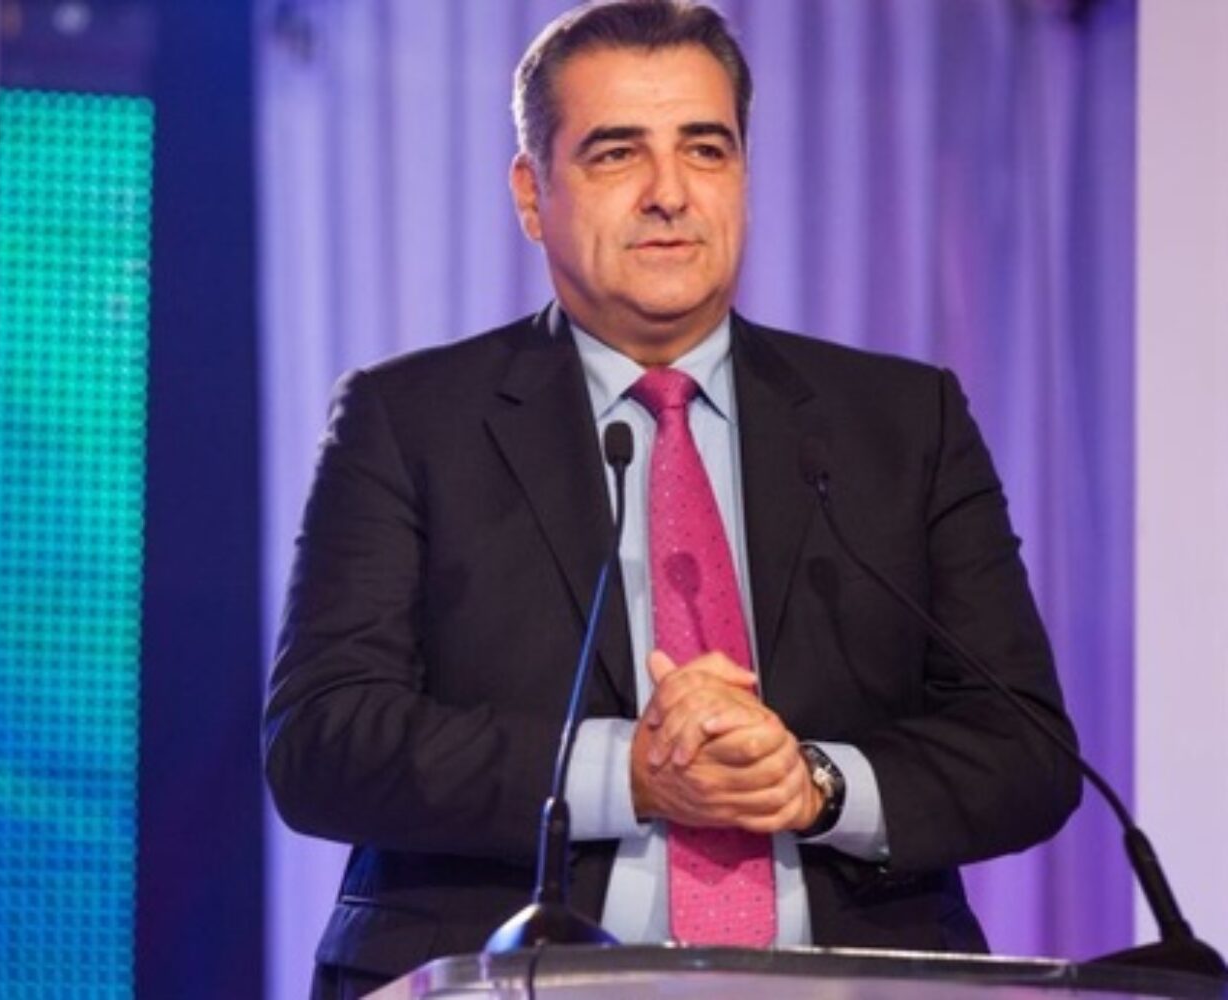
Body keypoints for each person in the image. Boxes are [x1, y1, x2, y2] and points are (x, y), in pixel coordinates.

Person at [263, 2, 1082, 996]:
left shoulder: (906, 422)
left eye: (705, 149)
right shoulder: (408, 420)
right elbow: (324, 744)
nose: (668, 193)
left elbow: (1026, 751)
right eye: (617, 153)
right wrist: (626, 773)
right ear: (531, 194)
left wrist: (815, 784)